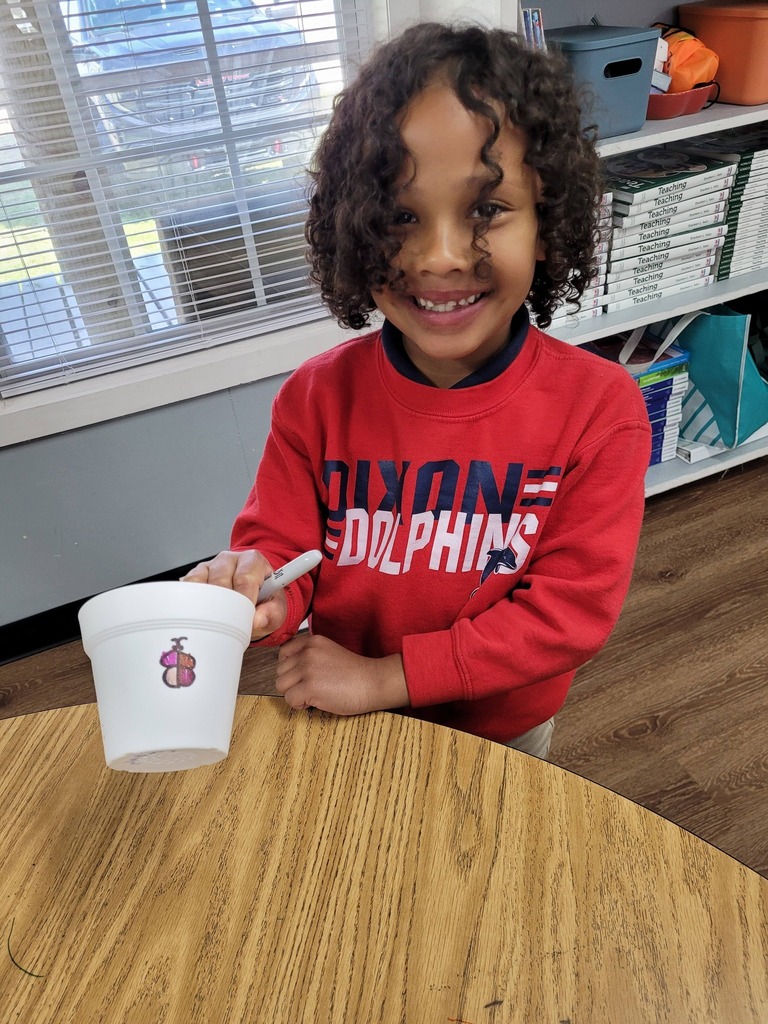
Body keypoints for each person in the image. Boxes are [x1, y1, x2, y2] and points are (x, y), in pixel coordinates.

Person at [183, 22, 651, 758]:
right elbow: (282, 545)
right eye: (401, 216)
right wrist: (257, 592)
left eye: (487, 209)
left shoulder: (600, 411)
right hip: (352, 720)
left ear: (546, 221)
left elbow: (565, 616)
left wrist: (386, 677)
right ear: (356, 227)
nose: (438, 257)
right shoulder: (316, 397)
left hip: (498, 732)